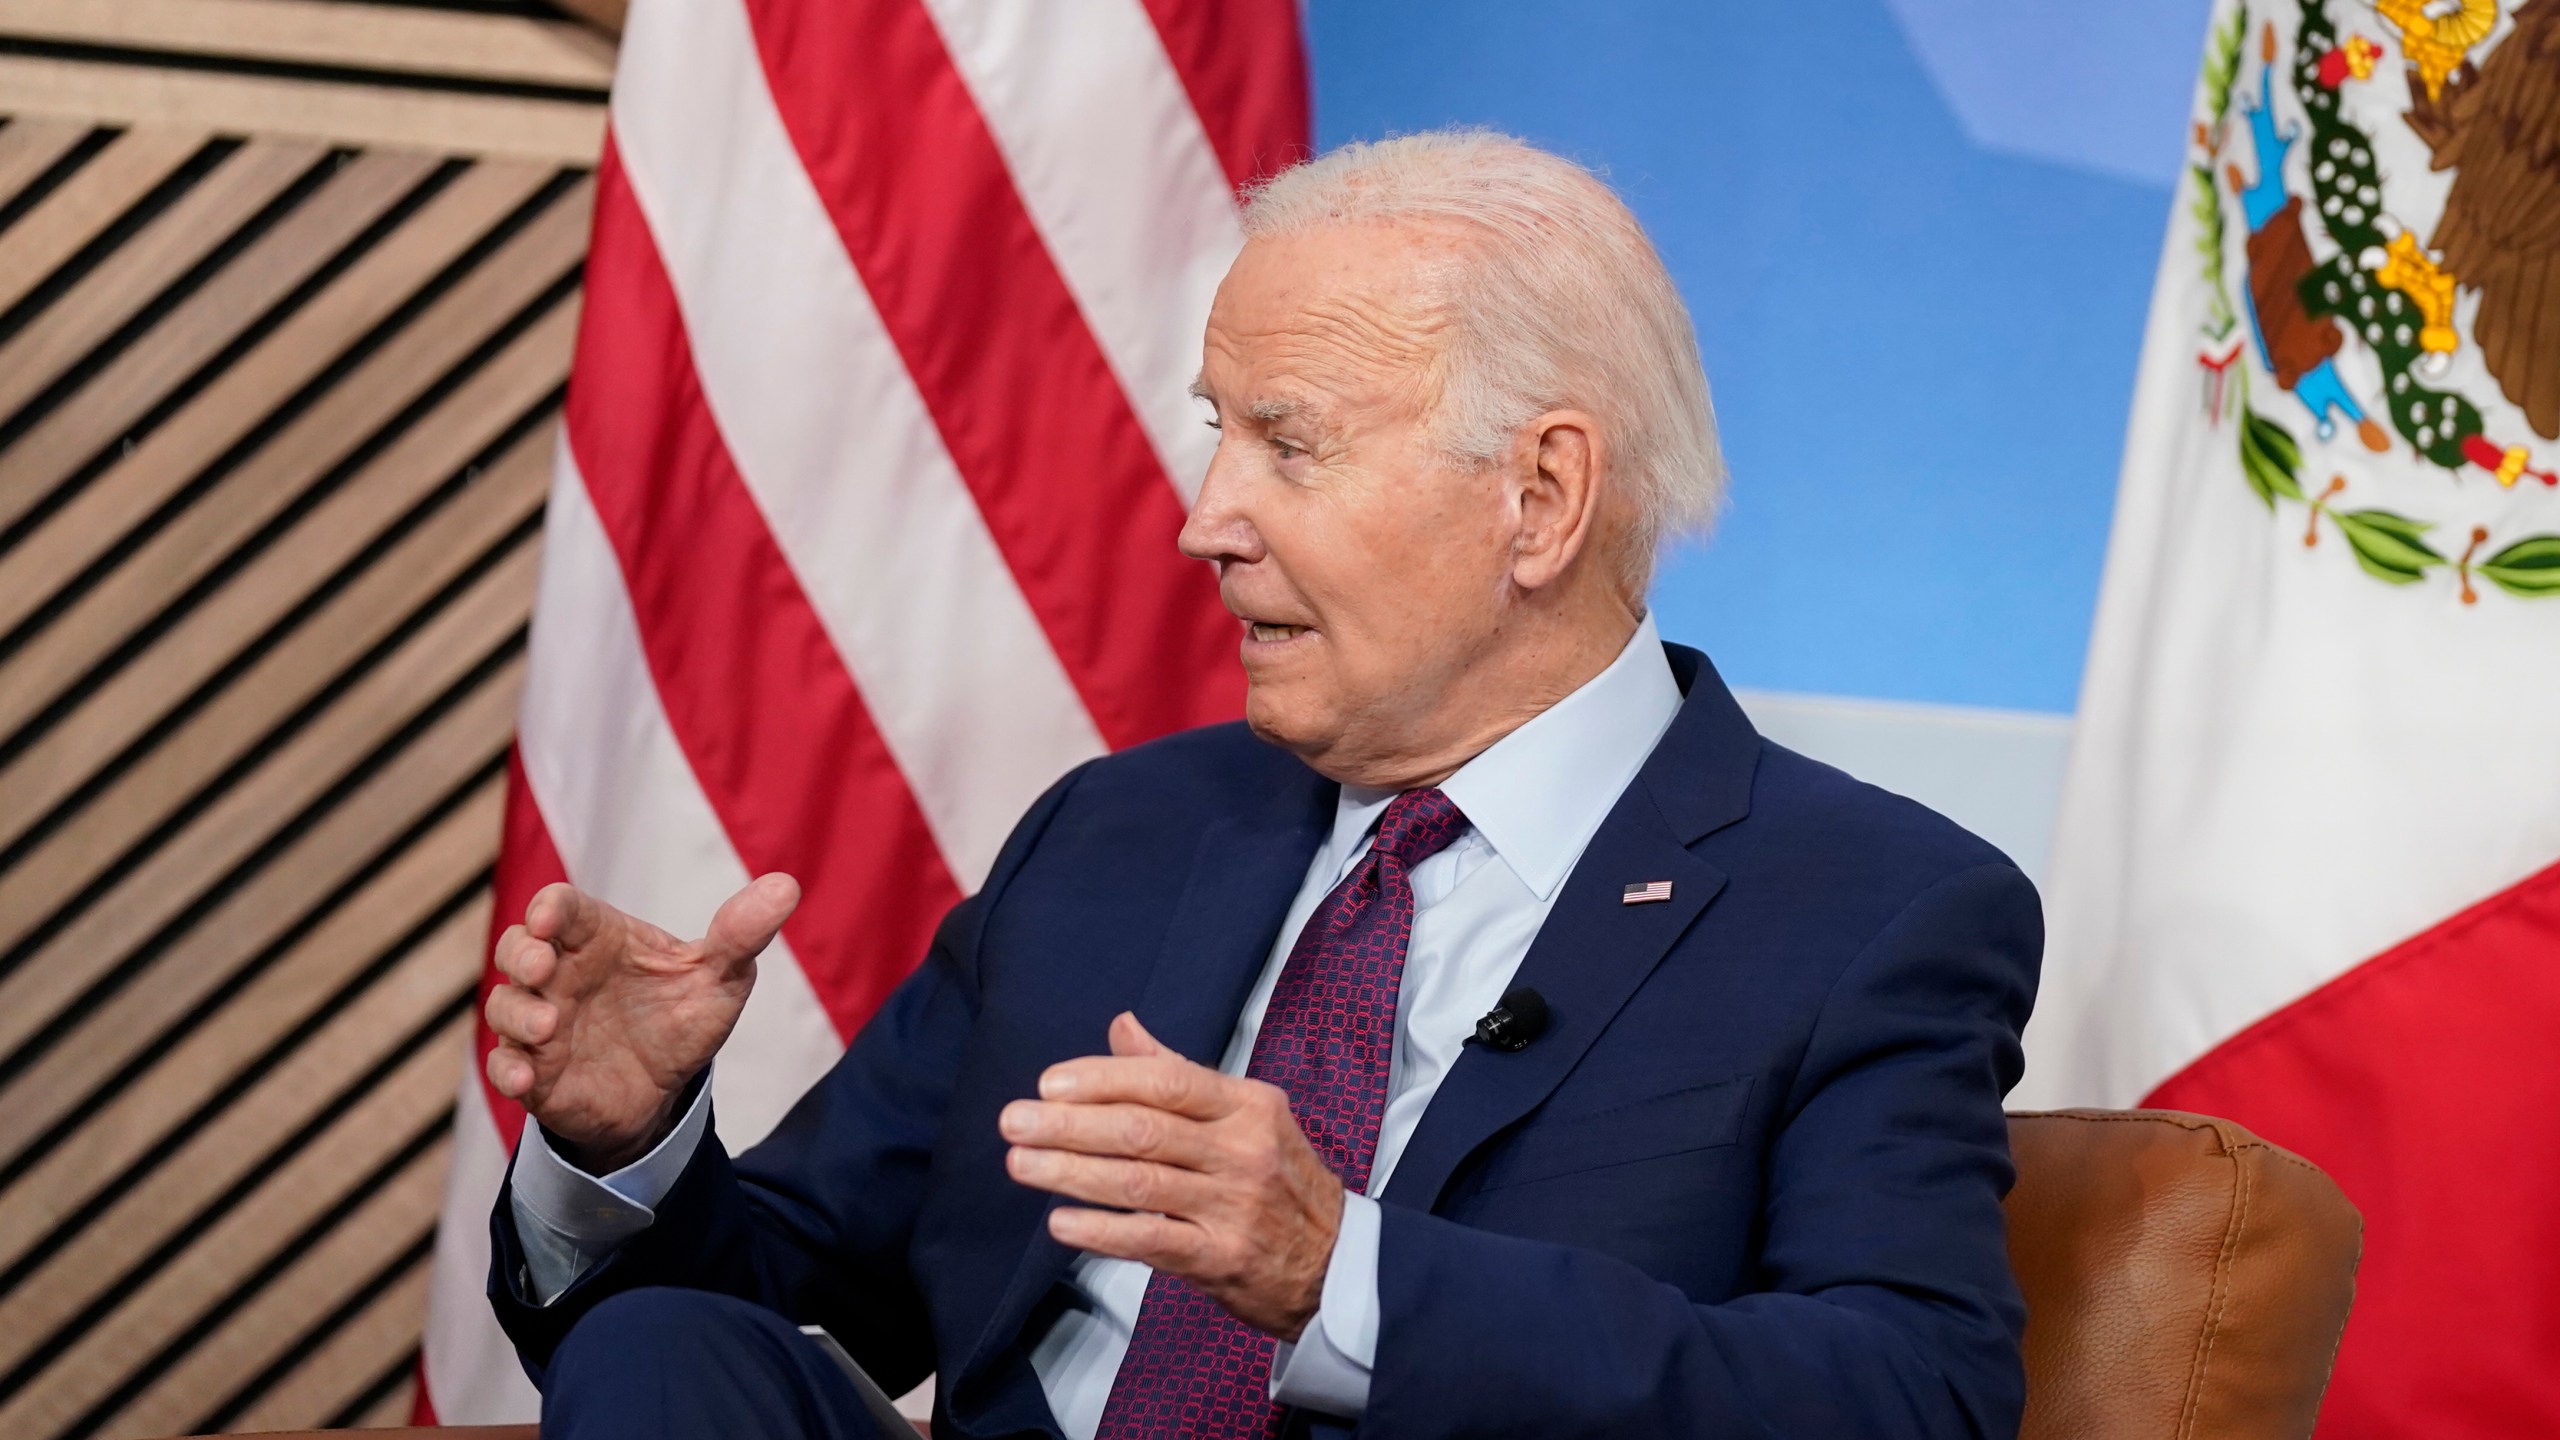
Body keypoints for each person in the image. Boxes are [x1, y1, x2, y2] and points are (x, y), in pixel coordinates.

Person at [481, 130, 2042, 1440]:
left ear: (1543, 500)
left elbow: (1913, 1394)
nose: (1206, 520)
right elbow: (787, 1299)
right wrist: (626, 1147)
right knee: (655, 1354)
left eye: (1289, 449)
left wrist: (1336, 1275)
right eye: (1219, 436)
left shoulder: (1867, 910)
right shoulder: (1121, 834)